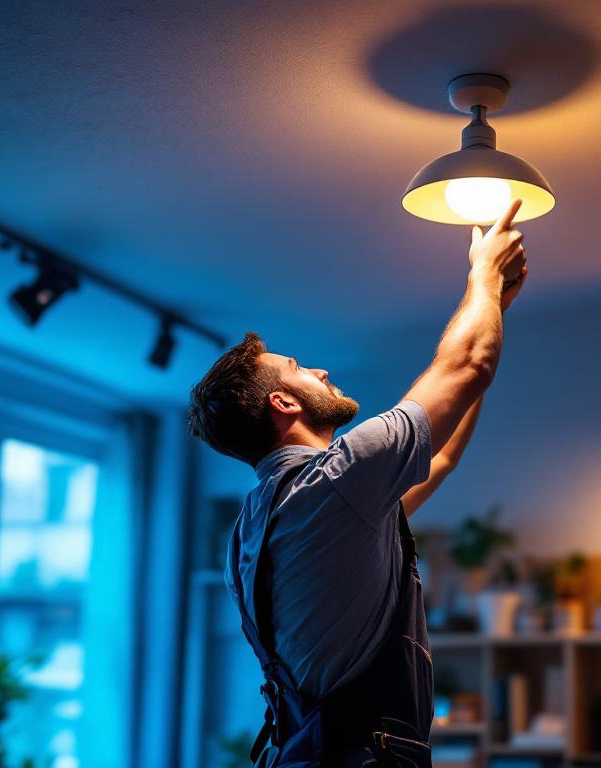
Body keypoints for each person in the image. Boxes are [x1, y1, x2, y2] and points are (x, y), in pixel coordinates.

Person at [186, 199, 529, 767]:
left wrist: (492, 311)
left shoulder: (258, 522)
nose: (319, 370)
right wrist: (483, 276)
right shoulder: (336, 480)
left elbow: (439, 457)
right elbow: (467, 366)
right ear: (283, 402)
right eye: (298, 368)